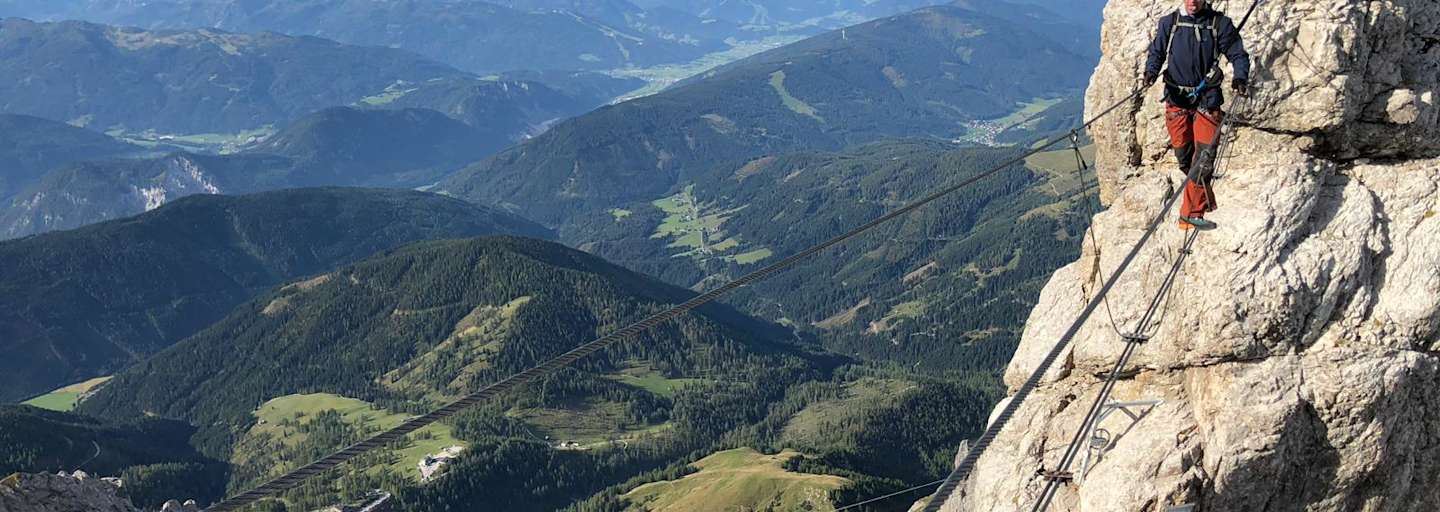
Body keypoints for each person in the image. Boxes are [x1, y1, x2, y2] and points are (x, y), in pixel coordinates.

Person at [1141, 0, 1250, 230]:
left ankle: (1190, 213)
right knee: (1184, 157)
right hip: (1177, 100)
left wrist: (1240, 77)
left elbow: (1238, 53)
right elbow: (1157, 51)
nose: (1192, 1)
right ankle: (1203, 196)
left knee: (1204, 158)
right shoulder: (1169, 23)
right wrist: (1150, 72)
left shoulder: (1218, 23)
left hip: (1207, 101)